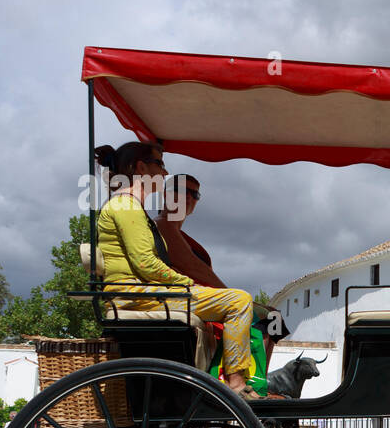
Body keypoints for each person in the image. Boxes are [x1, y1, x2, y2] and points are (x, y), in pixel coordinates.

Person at [93, 143, 258, 399]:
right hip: (135, 295)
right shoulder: (127, 207)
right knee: (240, 301)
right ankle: (237, 384)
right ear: (141, 167)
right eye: (160, 164)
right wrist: (188, 285)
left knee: (246, 307)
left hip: (138, 293)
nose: (164, 171)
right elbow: (146, 263)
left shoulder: (129, 207)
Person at [156, 175, 290, 364]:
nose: (189, 198)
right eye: (183, 191)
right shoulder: (164, 226)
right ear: (167, 194)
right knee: (269, 320)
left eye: (195, 194)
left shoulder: (177, 231)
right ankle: (247, 383)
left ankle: (259, 382)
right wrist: (230, 295)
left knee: (273, 319)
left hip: (203, 298)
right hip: (190, 299)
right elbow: (192, 267)